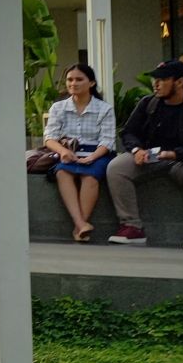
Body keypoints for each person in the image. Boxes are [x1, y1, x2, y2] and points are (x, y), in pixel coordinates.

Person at [106, 59, 183, 247]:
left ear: (180, 82)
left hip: (182, 161)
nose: (156, 83)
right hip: (149, 158)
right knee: (116, 168)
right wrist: (137, 150)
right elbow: (128, 132)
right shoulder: (148, 103)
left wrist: (175, 154)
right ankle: (132, 227)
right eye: (155, 79)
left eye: (162, 79)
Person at [42, 63, 116, 242]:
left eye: (79, 79)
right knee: (62, 172)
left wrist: (92, 157)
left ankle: (79, 227)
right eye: (69, 79)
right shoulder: (58, 108)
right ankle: (81, 224)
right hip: (69, 151)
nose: (73, 83)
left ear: (91, 83)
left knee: (90, 177)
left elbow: (108, 140)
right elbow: (49, 137)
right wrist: (63, 152)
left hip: (97, 152)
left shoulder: (104, 109)